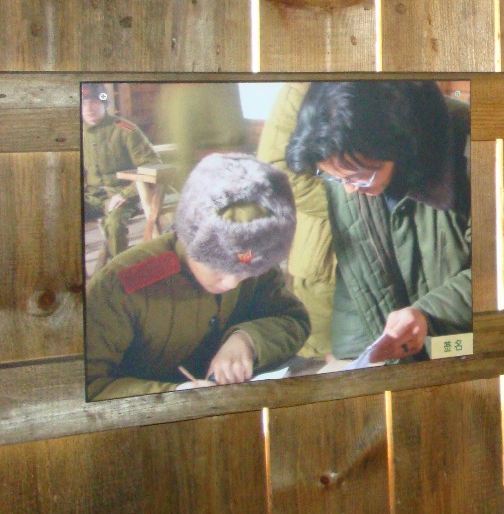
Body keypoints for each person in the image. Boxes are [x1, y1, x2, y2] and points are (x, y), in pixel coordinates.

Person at [85, 153, 310, 401]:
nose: (232, 282)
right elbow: (88, 385)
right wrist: (173, 396)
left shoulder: (254, 259)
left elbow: (293, 319)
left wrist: (247, 340)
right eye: (217, 268)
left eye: (245, 273)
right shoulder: (120, 286)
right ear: (189, 240)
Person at [286, 81, 472, 362]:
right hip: (403, 355)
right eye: (336, 178)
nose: (349, 189)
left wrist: (429, 313)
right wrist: (350, 357)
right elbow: (357, 272)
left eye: (357, 177)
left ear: (395, 143)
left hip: (465, 343)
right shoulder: (345, 164)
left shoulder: (475, 146)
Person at [256, 82, 338, 359]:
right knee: (322, 356)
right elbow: (277, 177)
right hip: (329, 255)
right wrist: (359, 199)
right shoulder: (302, 88)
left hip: (397, 246)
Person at [81, 83, 159, 266]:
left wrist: (125, 194)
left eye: (94, 102)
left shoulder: (125, 130)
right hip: (93, 196)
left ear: (104, 103)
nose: (89, 108)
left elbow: (152, 164)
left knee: (115, 224)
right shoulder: (77, 134)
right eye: (83, 103)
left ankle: (120, 270)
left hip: (124, 195)